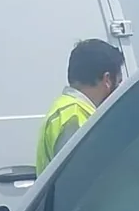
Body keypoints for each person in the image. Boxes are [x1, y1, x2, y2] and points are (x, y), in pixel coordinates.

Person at [35, 39, 125, 174]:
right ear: (107, 80)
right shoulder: (75, 118)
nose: (118, 89)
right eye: (118, 82)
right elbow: (81, 176)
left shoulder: (65, 109)